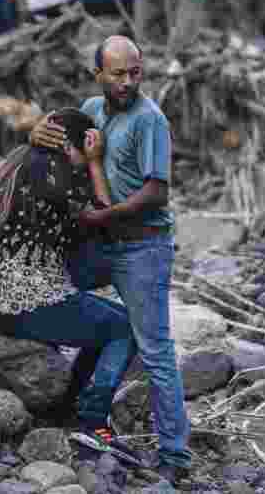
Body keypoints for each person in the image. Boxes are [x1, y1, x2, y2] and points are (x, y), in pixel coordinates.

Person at [29, 32, 191, 485]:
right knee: (47, 291)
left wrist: (100, 217)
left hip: (143, 248)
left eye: (135, 73)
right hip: (101, 246)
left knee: (156, 350)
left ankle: (175, 455)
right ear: (98, 74)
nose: (127, 82)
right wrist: (36, 131)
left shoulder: (150, 120)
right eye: (117, 74)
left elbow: (157, 192)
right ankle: (79, 407)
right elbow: (58, 147)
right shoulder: (92, 110)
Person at [0, 108, 143, 467]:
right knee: (124, 327)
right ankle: (93, 424)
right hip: (22, 299)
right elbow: (109, 223)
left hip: (2, 296)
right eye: (88, 151)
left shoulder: (20, 164)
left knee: (111, 321)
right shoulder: (55, 172)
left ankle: (67, 408)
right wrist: (94, 166)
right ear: (77, 147)